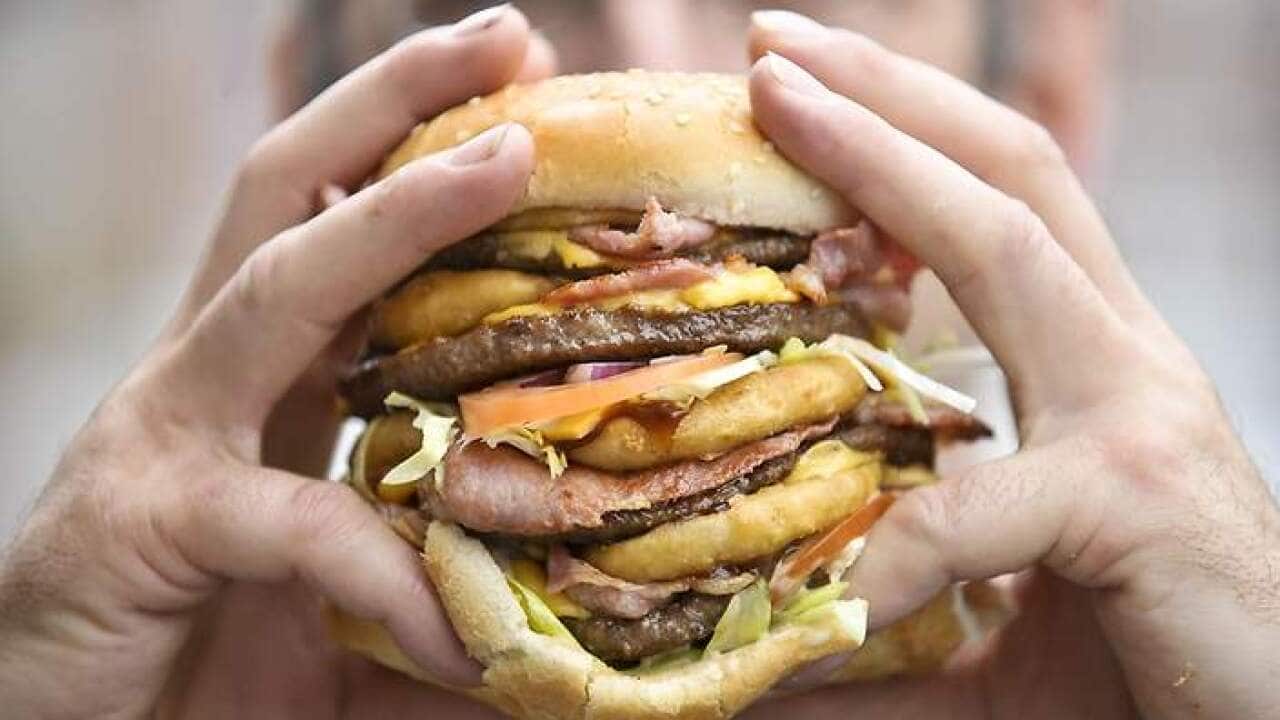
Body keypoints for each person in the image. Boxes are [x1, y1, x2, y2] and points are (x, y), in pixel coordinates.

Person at [0, 5, 1274, 719]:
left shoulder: (1183, 649)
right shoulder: (165, 650)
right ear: (315, 138)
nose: (654, 75)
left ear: (1043, 96)